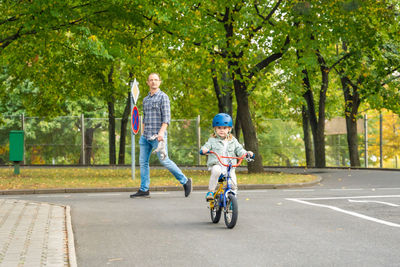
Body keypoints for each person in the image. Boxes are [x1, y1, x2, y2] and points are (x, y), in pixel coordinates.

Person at [130, 73, 192, 198]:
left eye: (156, 80)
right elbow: (144, 118)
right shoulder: (145, 99)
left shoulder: (163, 97)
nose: (153, 82)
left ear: (159, 82)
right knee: (143, 163)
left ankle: (185, 181)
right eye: (151, 80)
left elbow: (166, 118)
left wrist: (161, 133)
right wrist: (142, 134)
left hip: (158, 137)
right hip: (145, 137)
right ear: (147, 82)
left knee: (164, 161)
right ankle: (144, 189)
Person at [200, 113, 253, 201]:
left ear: (229, 129)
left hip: (229, 166)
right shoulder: (212, 140)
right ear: (215, 129)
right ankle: (211, 191)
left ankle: (232, 202)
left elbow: (240, 150)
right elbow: (206, 146)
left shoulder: (233, 141)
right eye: (219, 128)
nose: (222, 130)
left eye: (224, 128)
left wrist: (247, 153)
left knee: (233, 185)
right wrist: (204, 150)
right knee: (216, 170)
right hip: (217, 165)